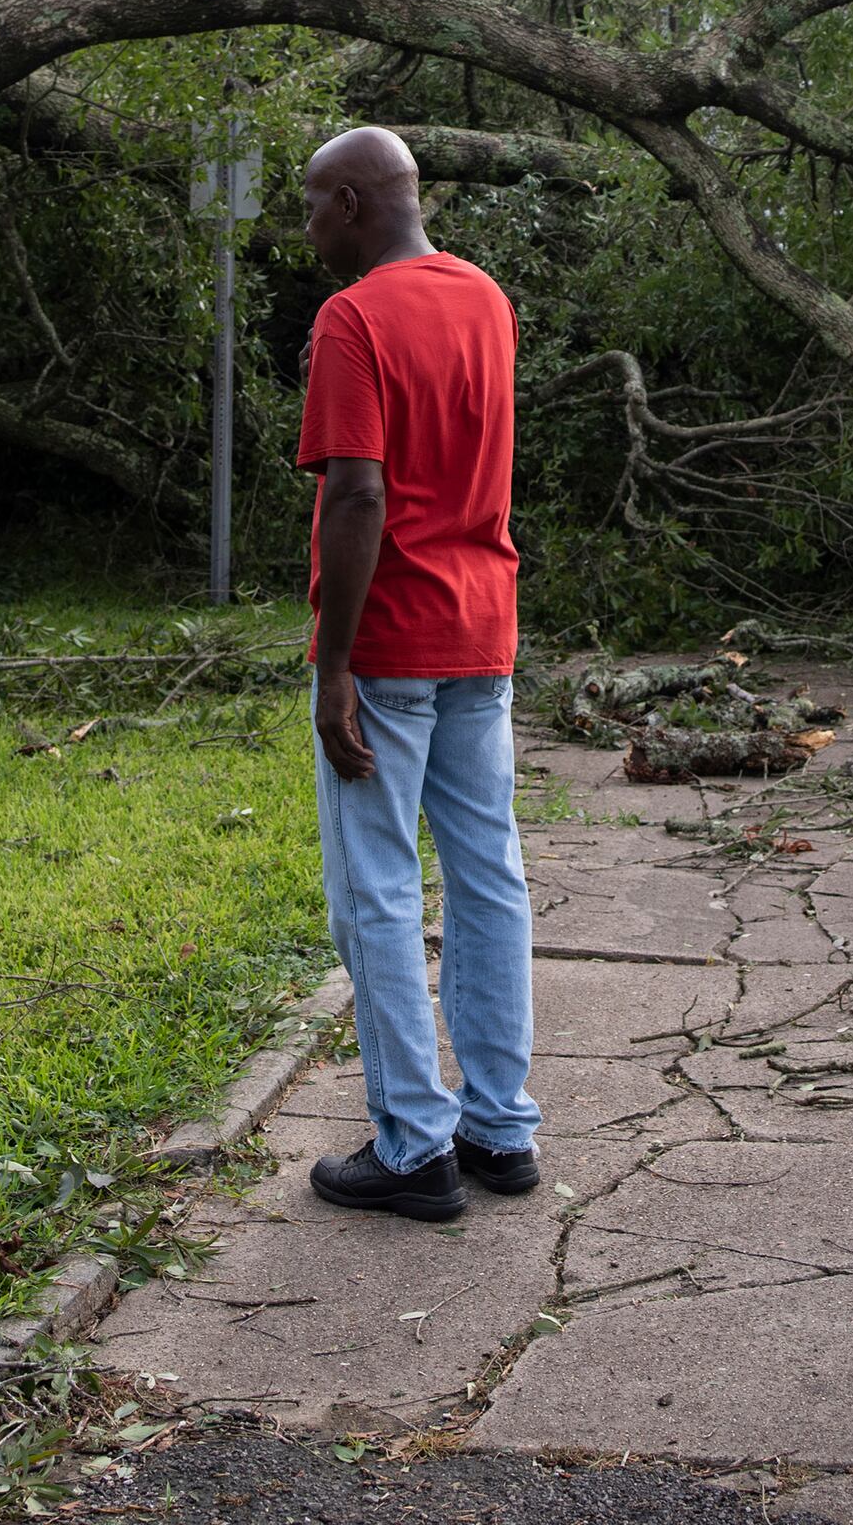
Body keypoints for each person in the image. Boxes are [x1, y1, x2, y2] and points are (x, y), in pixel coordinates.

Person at [292, 123, 542, 1222]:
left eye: (310, 206)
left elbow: (358, 496)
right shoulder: (486, 298)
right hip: (483, 629)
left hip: (390, 643)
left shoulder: (352, 317)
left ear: (352, 203)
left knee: (379, 893)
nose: (305, 229)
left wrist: (333, 666)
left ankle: (412, 1147)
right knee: (489, 882)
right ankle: (501, 1128)